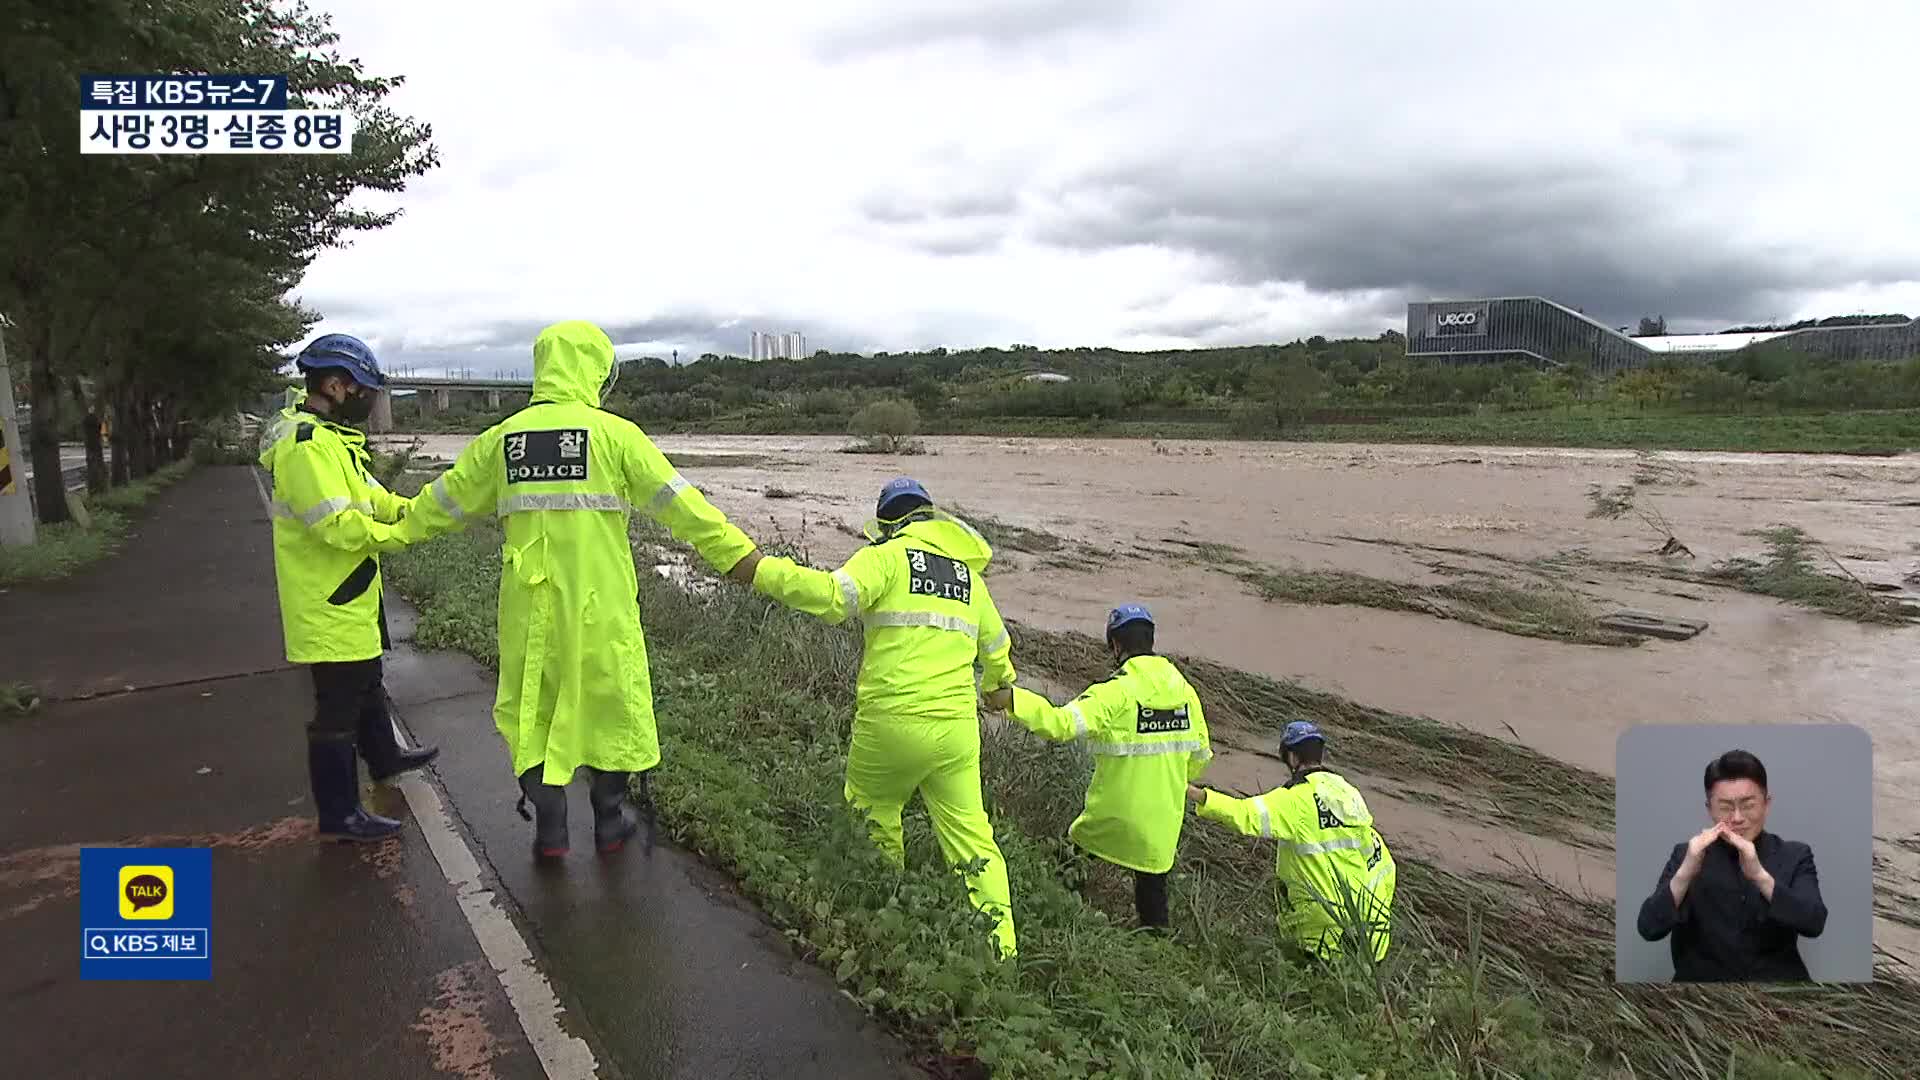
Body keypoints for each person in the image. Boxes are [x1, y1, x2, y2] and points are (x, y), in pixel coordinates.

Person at [391, 320, 761, 860]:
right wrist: (739, 558)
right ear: (594, 370)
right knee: (611, 707)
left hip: (526, 609)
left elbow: (439, 505)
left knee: (532, 713)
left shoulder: (502, 440)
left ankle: (550, 830)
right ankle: (610, 824)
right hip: (601, 607)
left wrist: (383, 532)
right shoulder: (616, 436)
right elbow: (683, 506)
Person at [726, 478, 1019, 957]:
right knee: (973, 839)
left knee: (875, 812)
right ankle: (1002, 952)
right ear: (933, 519)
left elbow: (832, 597)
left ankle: (886, 924)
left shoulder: (885, 558)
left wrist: (760, 570)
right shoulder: (970, 579)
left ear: (885, 524)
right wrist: (994, 691)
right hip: (957, 730)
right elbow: (998, 651)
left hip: (892, 719)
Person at [259, 333, 439, 842]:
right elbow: (337, 526)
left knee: (366, 681)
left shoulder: (333, 439)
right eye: (363, 390)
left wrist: (418, 511)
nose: (368, 401)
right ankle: (339, 814)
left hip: (350, 590)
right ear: (336, 386)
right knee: (337, 705)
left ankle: (385, 757)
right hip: (326, 595)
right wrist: (401, 535)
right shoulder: (307, 448)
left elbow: (371, 499)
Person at [982, 604, 1210, 930]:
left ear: (1116, 646)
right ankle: (1156, 953)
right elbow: (1200, 756)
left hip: (1111, 817)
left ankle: (1056, 923)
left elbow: (1060, 724)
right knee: (1153, 899)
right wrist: (1173, 780)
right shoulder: (1186, 692)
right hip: (1162, 825)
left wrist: (1013, 699)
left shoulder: (1115, 692)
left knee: (1069, 866)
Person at [1185, 721, 1395, 960]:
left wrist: (1196, 794)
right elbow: (1385, 865)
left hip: (1321, 933)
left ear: (1292, 758)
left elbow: (1244, 814)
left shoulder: (1295, 800)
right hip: (1371, 933)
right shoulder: (1349, 792)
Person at [1635, 749, 1826, 982]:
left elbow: (1814, 922)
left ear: (1766, 804)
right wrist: (1685, 873)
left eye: (1748, 805)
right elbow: (1648, 928)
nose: (1737, 818)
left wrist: (1760, 876)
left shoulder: (1795, 854)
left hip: (1782, 998)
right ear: (1709, 809)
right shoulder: (1686, 854)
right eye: (1725, 807)